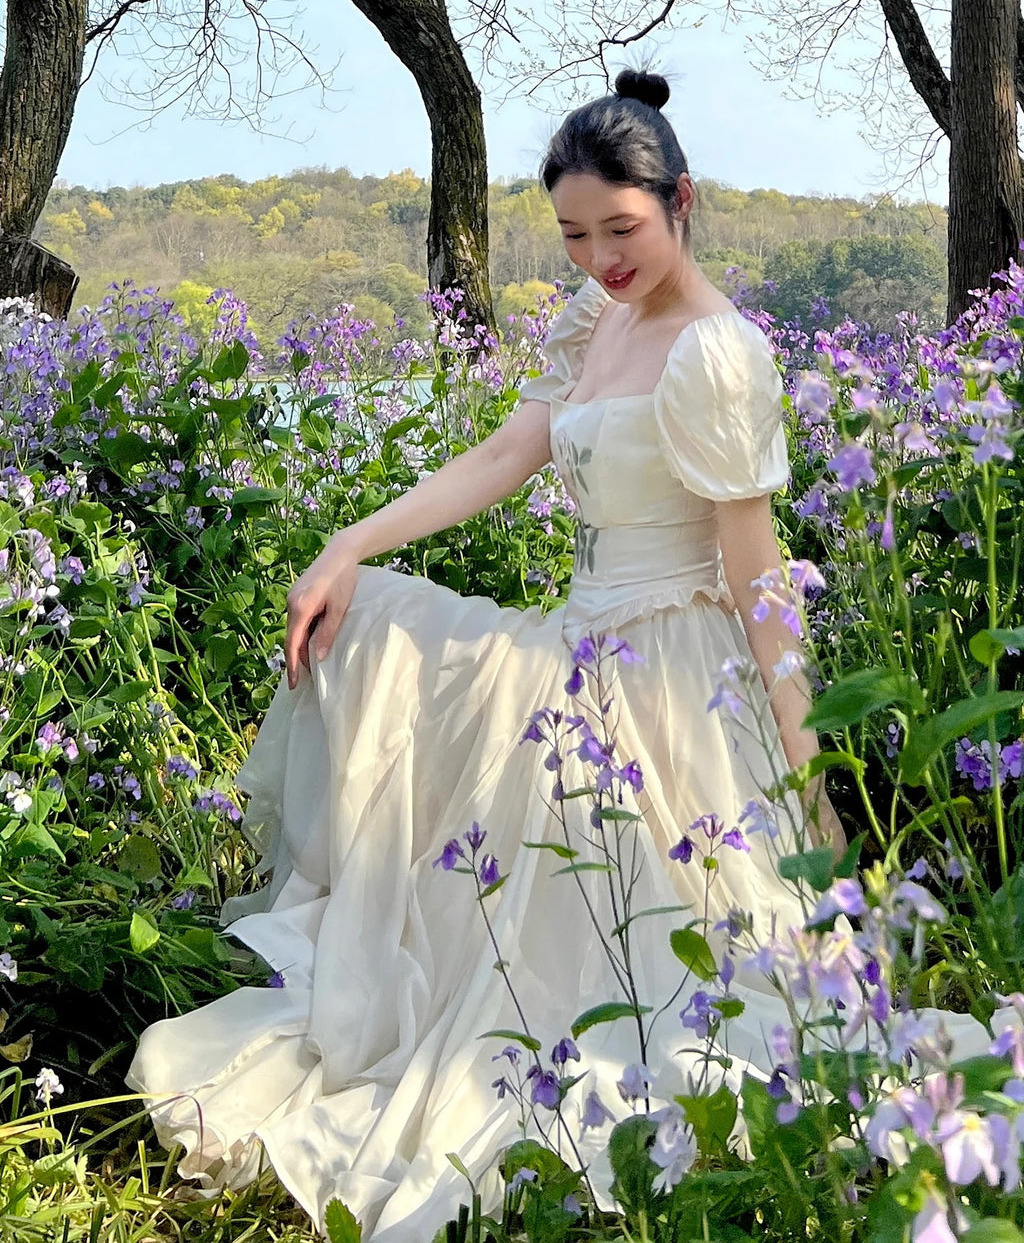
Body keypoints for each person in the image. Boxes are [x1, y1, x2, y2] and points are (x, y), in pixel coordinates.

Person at [127, 69, 844, 1239]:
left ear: (680, 201)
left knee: (644, 967)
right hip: (577, 642)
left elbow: (758, 582)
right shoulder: (599, 322)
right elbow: (506, 457)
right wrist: (349, 541)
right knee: (377, 615)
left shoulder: (716, 353)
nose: (600, 258)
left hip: (669, 677)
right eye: (573, 235)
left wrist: (808, 771)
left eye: (621, 229)